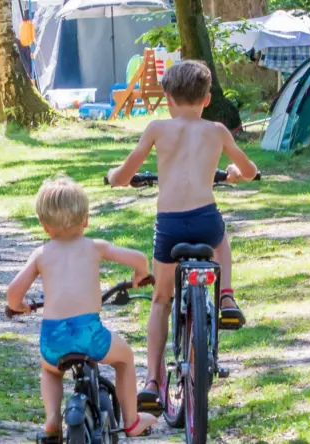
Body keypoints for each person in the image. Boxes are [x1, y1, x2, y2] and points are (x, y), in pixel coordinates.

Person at [103, 59, 259, 412]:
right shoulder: (218, 130)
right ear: (206, 99)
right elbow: (249, 170)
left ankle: (153, 381)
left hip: (170, 226)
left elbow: (127, 172)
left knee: (161, 300)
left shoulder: (158, 128)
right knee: (221, 241)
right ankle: (227, 298)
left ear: (168, 98)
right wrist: (235, 173)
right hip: (205, 219)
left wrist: (115, 176)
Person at [6, 176, 157, 440]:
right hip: (89, 334)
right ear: (85, 220)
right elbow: (139, 258)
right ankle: (132, 421)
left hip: (53, 338)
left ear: (44, 226)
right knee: (125, 359)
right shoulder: (94, 247)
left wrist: (20, 307)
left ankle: (52, 419)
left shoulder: (41, 254)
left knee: (49, 370)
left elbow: (13, 293)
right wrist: (139, 276)